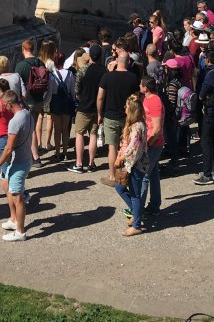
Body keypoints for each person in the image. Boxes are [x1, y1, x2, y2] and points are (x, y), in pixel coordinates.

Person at [0, 90, 34, 241]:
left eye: (4, 105)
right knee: (7, 185)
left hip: (19, 162)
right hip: (25, 158)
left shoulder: (14, 121)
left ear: (9, 104)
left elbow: (8, 148)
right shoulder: (27, 113)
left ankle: (20, 232)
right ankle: (14, 220)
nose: (4, 108)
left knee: (17, 196)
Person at [97, 50, 140, 186]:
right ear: (128, 62)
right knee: (127, 146)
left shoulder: (107, 77)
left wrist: (99, 114)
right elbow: (137, 99)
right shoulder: (133, 78)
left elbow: (100, 98)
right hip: (127, 117)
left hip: (110, 116)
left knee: (112, 147)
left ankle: (112, 176)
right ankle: (125, 175)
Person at [113, 93, 149, 236]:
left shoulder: (137, 127)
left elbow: (134, 149)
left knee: (135, 194)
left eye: (127, 106)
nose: (125, 108)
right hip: (133, 163)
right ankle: (137, 213)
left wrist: (121, 158)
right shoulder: (135, 125)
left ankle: (137, 224)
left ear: (132, 109)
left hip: (136, 165)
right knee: (119, 187)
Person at [69, 44, 105, 173]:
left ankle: (79, 163)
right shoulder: (104, 71)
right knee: (93, 134)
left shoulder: (83, 70)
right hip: (97, 108)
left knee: (79, 134)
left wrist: (81, 95)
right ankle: (91, 163)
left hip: (84, 106)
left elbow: (77, 88)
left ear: (90, 56)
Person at [14, 38, 47, 164]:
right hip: (39, 100)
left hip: (27, 102)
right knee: (33, 128)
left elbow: (16, 85)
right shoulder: (41, 63)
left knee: (30, 131)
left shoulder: (20, 66)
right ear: (33, 49)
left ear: (23, 50)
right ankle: (34, 154)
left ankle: (35, 157)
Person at [194, 48, 214, 185]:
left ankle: (207, 174)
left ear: (207, 59)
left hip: (209, 109)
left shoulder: (209, 74)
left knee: (205, 141)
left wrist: (201, 96)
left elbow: (201, 93)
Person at [138, 74, 164, 218]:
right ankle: (154, 205)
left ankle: (138, 210)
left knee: (144, 176)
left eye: (140, 84)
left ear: (145, 88)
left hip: (153, 144)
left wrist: (147, 144)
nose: (139, 86)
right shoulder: (148, 99)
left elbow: (157, 128)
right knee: (153, 174)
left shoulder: (154, 101)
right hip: (149, 142)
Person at [48, 51, 76, 161]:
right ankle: (65, 153)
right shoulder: (70, 74)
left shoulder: (52, 75)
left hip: (55, 102)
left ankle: (58, 153)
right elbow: (72, 91)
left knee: (57, 129)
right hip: (67, 102)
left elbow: (50, 92)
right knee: (65, 129)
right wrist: (73, 101)